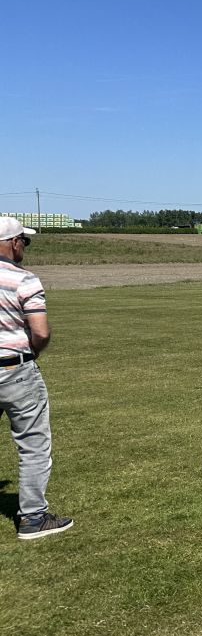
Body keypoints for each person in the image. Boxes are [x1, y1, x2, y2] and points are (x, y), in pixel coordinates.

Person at [0, 217, 73, 540]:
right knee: (33, 445)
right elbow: (40, 331)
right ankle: (33, 518)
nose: (24, 248)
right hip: (15, 369)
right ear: (13, 242)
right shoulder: (24, 280)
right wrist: (34, 351)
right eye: (24, 241)